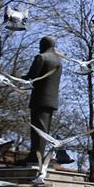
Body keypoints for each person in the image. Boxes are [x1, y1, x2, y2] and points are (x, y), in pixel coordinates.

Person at [26, 36, 63, 164]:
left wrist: (17, 78)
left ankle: (35, 157)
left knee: (37, 129)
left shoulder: (41, 57)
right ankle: (38, 155)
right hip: (52, 100)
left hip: (39, 98)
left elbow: (31, 76)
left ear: (43, 45)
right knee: (43, 130)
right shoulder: (58, 61)